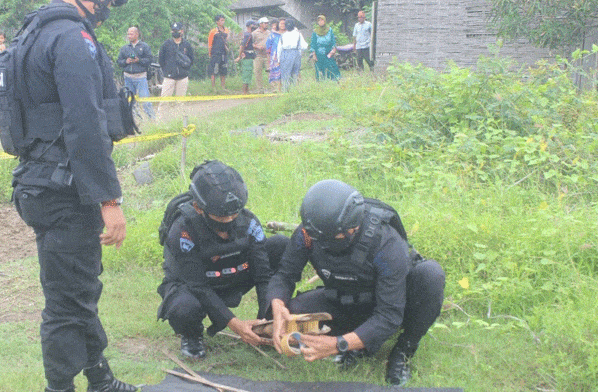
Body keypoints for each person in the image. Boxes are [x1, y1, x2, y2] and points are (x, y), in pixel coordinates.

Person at [10, 0, 137, 391]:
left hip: (38, 182)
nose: (107, 6)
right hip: (67, 191)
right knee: (66, 303)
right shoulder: (70, 37)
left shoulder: (34, 31)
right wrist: (109, 200)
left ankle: (100, 379)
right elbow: (85, 125)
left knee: (78, 288)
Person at [267, 180, 445, 386]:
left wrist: (338, 344)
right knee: (295, 312)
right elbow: (285, 275)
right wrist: (277, 305)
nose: (320, 242)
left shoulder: (385, 243)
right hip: (345, 298)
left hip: (391, 304)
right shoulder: (310, 232)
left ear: (351, 229)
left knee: (431, 275)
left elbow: (389, 315)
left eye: (331, 238)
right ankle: (357, 341)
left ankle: (403, 350)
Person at [157, 160, 287, 359]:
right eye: (221, 217)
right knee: (183, 307)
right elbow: (198, 286)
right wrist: (236, 325)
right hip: (196, 283)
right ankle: (192, 334)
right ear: (198, 208)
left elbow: (263, 276)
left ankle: (271, 323)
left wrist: (265, 321)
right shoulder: (183, 231)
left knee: (280, 245)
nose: (229, 221)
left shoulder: (249, 221)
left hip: (235, 273)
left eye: (234, 215)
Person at [116, 26, 155, 118]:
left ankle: (152, 119)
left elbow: (149, 60)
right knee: (130, 101)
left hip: (140, 77)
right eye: (128, 34)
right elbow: (119, 61)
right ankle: (134, 120)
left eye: (131, 34)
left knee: (145, 100)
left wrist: (139, 60)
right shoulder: (124, 48)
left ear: (137, 34)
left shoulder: (144, 46)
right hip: (128, 77)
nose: (129, 36)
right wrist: (126, 61)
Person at [159, 22, 194, 98]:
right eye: (173, 30)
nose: (175, 32)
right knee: (164, 100)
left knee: (180, 102)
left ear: (182, 31)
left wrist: (185, 70)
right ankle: (162, 111)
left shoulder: (187, 45)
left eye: (177, 30)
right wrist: (167, 71)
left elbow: (191, 60)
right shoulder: (166, 44)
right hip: (169, 77)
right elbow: (161, 60)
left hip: (183, 77)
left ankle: (178, 111)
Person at [276, 19, 307, 92]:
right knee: (295, 73)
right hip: (295, 53)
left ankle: (285, 91)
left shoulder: (283, 35)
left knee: (285, 73)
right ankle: (294, 91)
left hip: (285, 54)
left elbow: (279, 48)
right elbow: (304, 46)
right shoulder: (298, 34)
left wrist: (278, 60)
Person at [310, 15, 340, 81]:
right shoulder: (315, 31)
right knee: (319, 68)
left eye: (322, 20)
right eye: (319, 20)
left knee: (330, 66)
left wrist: (333, 49)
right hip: (319, 52)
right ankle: (321, 82)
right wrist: (314, 54)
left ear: (325, 21)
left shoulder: (329, 30)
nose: (320, 22)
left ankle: (333, 80)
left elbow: (333, 41)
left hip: (328, 51)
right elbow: (313, 43)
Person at [207, 14, 231, 93]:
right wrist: (210, 54)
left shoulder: (226, 30)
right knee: (213, 71)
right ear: (217, 22)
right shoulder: (213, 31)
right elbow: (210, 44)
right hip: (215, 53)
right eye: (221, 20)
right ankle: (213, 88)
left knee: (223, 70)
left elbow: (227, 41)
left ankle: (223, 87)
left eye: (223, 20)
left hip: (223, 53)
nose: (223, 22)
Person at [234, 20, 257, 94]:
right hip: (247, 55)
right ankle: (244, 91)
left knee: (249, 73)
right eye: (253, 26)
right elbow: (242, 46)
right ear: (249, 26)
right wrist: (239, 56)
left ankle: (247, 90)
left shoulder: (251, 34)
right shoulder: (248, 35)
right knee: (246, 73)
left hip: (250, 55)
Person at [251, 17, 270, 93]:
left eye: (267, 23)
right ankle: (260, 89)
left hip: (268, 55)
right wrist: (257, 46)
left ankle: (274, 88)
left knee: (271, 72)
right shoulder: (254, 33)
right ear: (260, 24)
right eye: (265, 23)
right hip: (258, 55)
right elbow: (250, 44)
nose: (266, 24)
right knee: (257, 72)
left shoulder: (269, 33)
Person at [265, 18, 283, 92]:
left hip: (283, 55)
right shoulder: (271, 36)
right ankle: (275, 89)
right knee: (275, 73)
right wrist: (269, 59)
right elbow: (268, 48)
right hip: (274, 56)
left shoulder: (283, 34)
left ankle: (282, 88)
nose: (274, 27)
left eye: (275, 25)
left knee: (282, 72)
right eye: (272, 25)